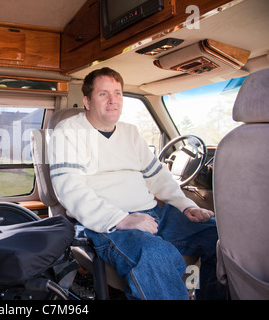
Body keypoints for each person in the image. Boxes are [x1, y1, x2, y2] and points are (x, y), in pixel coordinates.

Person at [48, 67, 222, 300]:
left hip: (154, 213)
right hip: (104, 223)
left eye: (118, 93)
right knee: (155, 252)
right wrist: (122, 219)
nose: (113, 101)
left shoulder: (131, 133)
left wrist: (186, 206)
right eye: (103, 94)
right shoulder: (68, 131)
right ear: (87, 101)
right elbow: (70, 188)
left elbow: (158, 176)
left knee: (220, 235)